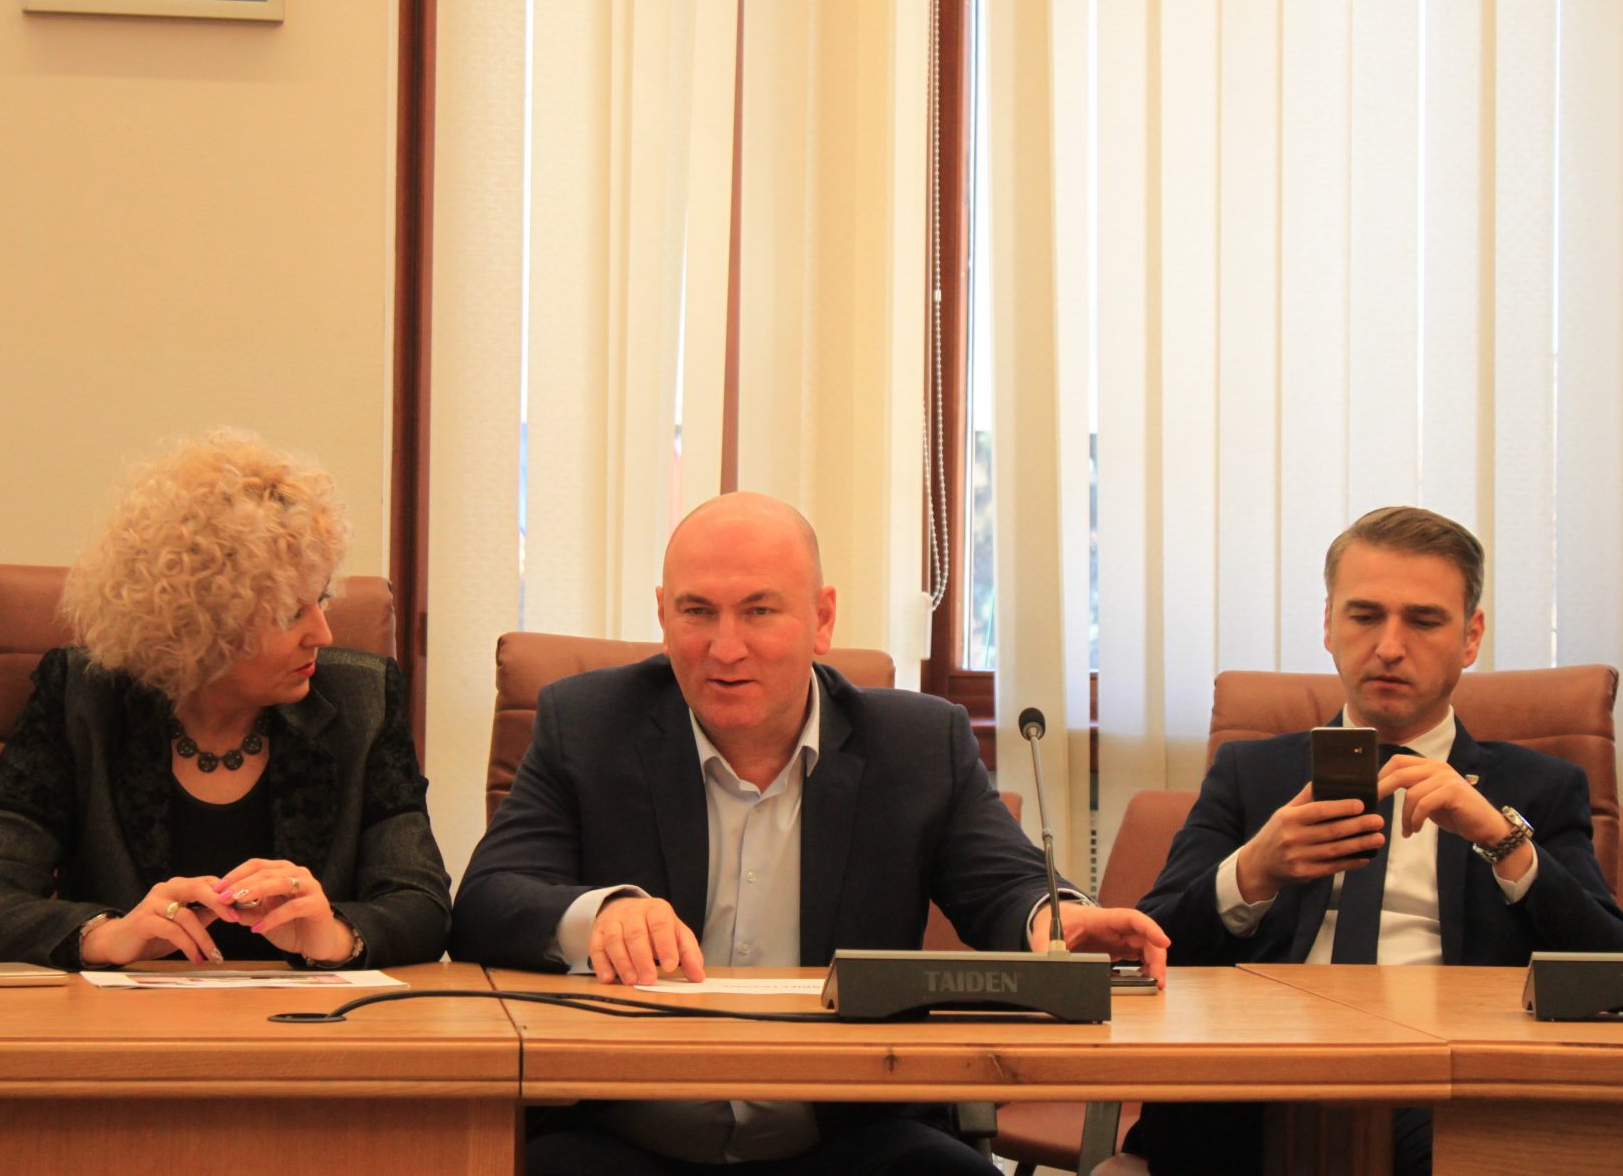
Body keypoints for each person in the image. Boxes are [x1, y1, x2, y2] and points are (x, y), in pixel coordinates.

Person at [450, 491, 1168, 1176]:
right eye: (697, 611)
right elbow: (487, 899)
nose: (725, 647)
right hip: (624, 1137)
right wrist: (600, 914)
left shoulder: (918, 744)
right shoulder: (586, 724)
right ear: (663, 616)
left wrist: (1056, 919)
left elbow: (1004, 882)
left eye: (759, 611)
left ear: (822, 620)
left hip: (849, 1138)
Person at [1125, 505, 1623, 1174]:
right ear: (1328, 625)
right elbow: (1147, 952)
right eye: (1365, 616)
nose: (1390, 646)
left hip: (1449, 1085)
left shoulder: (1537, 788)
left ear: (1471, 636)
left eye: (1423, 621)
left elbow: (1619, 974)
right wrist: (1253, 871)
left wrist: (1501, 839)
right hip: (1262, 1082)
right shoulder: (1251, 774)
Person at [0, 431, 451, 971]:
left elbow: (424, 905)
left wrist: (336, 935)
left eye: (320, 599)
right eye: (289, 613)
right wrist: (107, 936)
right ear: (202, 622)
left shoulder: (362, 700)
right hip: (119, 1022)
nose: (322, 633)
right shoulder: (81, 700)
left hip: (312, 1021)